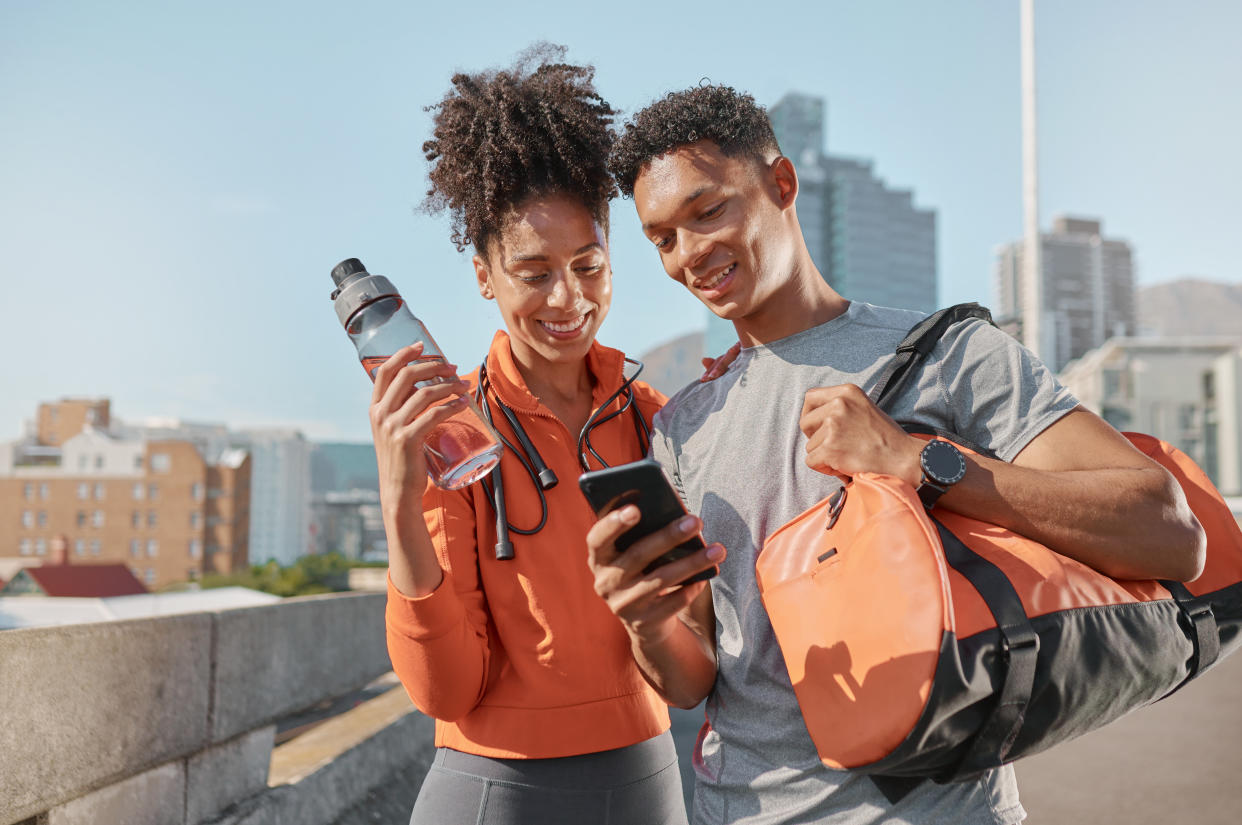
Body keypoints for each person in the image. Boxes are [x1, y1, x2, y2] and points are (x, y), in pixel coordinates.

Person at [586, 84, 1207, 825]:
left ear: (781, 185)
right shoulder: (683, 426)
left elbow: (1170, 531)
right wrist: (645, 618)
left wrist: (917, 462)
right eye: (662, 239)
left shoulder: (952, 352)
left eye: (708, 210)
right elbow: (699, 680)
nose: (689, 254)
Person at [372, 48, 734, 825]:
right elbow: (444, 691)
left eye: (589, 264)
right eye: (533, 272)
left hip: (647, 780)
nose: (567, 298)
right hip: (491, 791)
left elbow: (695, 666)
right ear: (484, 274)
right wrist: (402, 503)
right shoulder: (452, 433)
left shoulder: (658, 418)